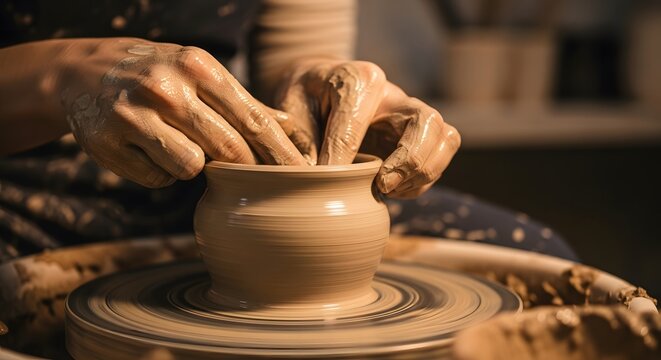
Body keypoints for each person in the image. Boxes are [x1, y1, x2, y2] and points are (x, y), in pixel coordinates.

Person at [0, 0, 577, 261]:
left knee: (537, 268)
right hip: (15, 185)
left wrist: (322, 86)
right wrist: (60, 76)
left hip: (193, 178)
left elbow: (296, 68)